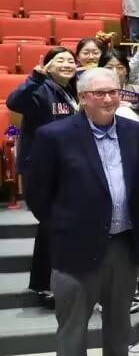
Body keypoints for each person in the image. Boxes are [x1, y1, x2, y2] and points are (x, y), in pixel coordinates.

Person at [27, 67, 139, 356]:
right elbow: (38, 194)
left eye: (114, 91)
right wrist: (65, 228)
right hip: (75, 247)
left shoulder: (136, 133)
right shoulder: (55, 136)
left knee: (118, 319)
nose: (109, 99)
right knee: (73, 327)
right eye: (99, 93)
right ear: (83, 98)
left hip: (122, 242)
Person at [7, 46, 79, 304]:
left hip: (66, 167)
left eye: (71, 60)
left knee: (53, 226)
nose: (67, 64)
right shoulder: (40, 88)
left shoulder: (71, 91)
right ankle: (45, 284)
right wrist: (36, 77)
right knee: (50, 223)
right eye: (60, 60)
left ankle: (47, 281)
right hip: (41, 169)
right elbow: (14, 102)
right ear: (47, 65)